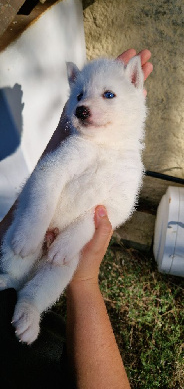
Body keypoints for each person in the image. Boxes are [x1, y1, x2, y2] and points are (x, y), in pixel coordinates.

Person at [0, 49, 153, 388]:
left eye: (108, 95)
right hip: (37, 226)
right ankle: (7, 280)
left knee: (64, 266)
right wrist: (34, 225)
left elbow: (111, 211)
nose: (85, 104)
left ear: (134, 87)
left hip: (69, 235)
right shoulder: (80, 145)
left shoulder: (129, 164)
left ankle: (32, 303)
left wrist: (74, 237)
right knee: (13, 263)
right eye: (79, 94)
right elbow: (48, 177)